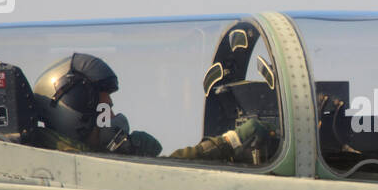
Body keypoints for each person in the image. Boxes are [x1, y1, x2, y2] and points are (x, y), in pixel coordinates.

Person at [29, 53, 277, 163]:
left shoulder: (70, 156)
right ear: (76, 113)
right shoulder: (70, 163)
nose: (114, 117)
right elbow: (170, 180)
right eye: (106, 111)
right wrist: (228, 143)